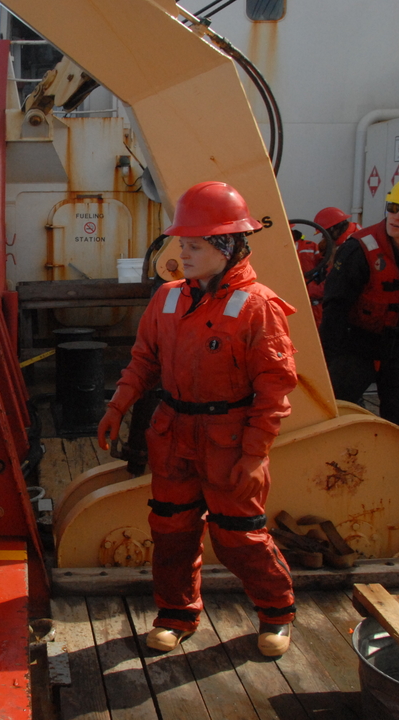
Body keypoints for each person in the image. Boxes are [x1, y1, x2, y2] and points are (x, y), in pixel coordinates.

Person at [97, 181, 298, 657]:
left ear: (226, 247)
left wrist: (254, 455)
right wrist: (117, 406)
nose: (183, 253)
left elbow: (275, 390)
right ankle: (176, 615)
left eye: (194, 244)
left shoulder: (258, 308)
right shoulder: (166, 298)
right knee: (171, 531)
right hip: (173, 433)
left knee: (240, 537)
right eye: (181, 244)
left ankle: (277, 615)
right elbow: (144, 359)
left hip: (228, 439)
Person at [320, 175, 399, 432]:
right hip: (355, 346)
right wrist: (329, 359)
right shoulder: (359, 250)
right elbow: (335, 309)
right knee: (338, 413)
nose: (396, 217)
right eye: (392, 208)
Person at [303, 207, 359, 327]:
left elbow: (332, 283)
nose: (323, 237)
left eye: (324, 233)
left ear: (333, 228)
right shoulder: (353, 233)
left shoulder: (349, 248)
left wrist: (306, 290)